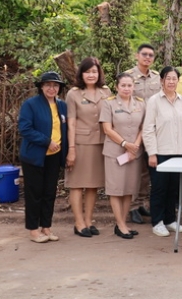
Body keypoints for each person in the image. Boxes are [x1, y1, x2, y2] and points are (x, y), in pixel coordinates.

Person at [143, 66, 182, 237]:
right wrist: (152, 153)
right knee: (160, 188)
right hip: (160, 153)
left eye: (174, 78)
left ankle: (170, 220)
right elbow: (148, 129)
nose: (171, 82)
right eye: (168, 78)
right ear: (162, 81)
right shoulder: (154, 101)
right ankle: (157, 222)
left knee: (174, 189)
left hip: (179, 152)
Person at [18, 71, 68, 243]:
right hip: (34, 156)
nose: (52, 88)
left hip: (54, 156)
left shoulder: (62, 106)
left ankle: (46, 227)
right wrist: (47, 142)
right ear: (41, 87)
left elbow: (65, 129)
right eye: (48, 85)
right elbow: (25, 129)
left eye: (55, 85)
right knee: (34, 193)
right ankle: (33, 230)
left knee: (49, 192)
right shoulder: (31, 104)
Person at [65, 57, 112, 238]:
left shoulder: (106, 91)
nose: (91, 75)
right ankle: (78, 223)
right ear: (81, 74)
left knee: (93, 185)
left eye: (94, 71)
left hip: (100, 143)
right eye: (87, 72)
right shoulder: (74, 94)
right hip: (80, 143)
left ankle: (88, 221)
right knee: (77, 184)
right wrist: (71, 149)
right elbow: (71, 123)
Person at [100, 72, 146, 240]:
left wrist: (135, 147)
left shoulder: (140, 103)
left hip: (134, 153)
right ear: (117, 87)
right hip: (115, 152)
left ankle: (123, 223)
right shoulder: (109, 103)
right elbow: (107, 129)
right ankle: (120, 225)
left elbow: (143, 127)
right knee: (116, 189)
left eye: (129, 85)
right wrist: (126, 144)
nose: (126, 88)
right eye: (123, 85)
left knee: (128, 189)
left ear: (133, 87)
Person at [126, 44, 161, 225]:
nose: (147, 57)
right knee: (134, 169)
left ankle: (140, 203)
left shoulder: (157, 77)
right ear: (137, 55)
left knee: (147, 171)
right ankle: (132, 207)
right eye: (144, 54)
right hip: (134, 128)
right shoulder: (128, 76)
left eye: (151, 55)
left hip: (152, 129)